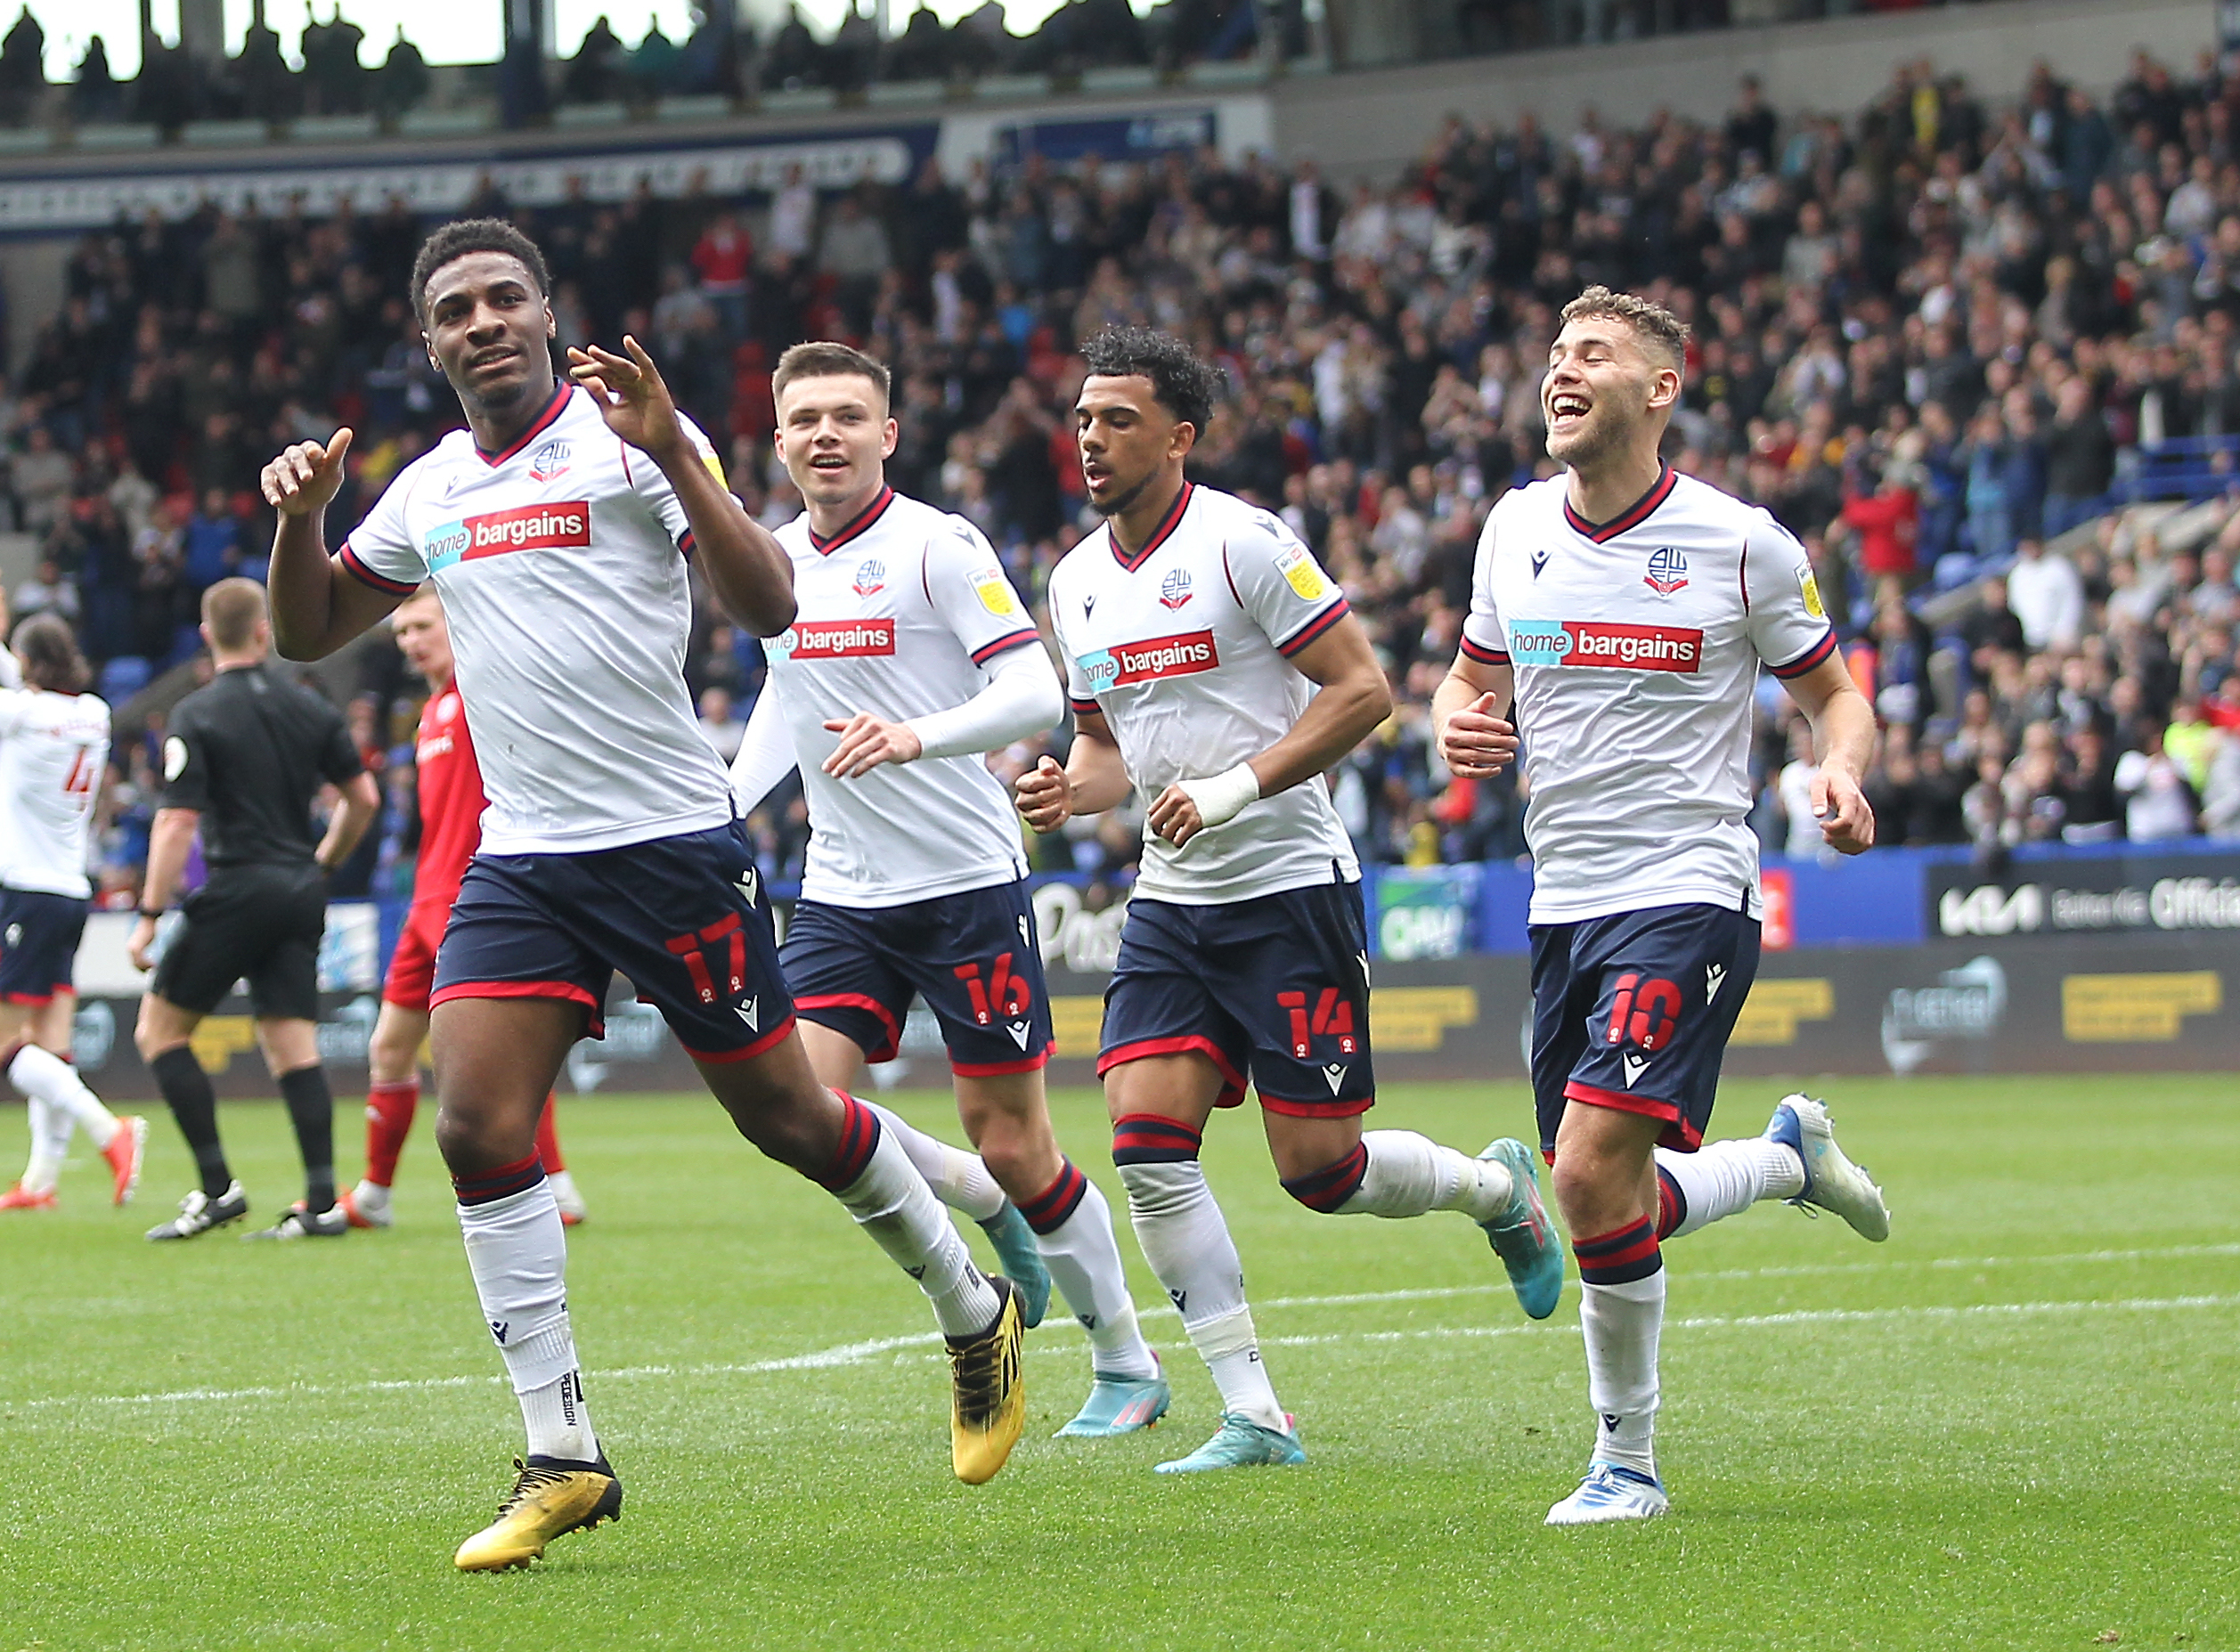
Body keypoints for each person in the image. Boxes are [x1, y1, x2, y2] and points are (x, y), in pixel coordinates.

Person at [263, 219, 1030, 1570]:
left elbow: (771, 601)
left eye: (507, 297)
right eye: (456, 307)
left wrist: (680, 449)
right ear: (428, 339)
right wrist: (300, 518)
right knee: (474, 1121)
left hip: (673, 843)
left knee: (790, 1117)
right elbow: (308, 628)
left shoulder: (630, 440)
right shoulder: (430, 483)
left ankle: (972, 1309)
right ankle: (561, 1452)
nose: (483, 320)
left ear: (549, 313)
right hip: (525, 859)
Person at [1015, 325, 1564, 1475]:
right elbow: (1106, 749)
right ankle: (1253, 1408)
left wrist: (1229, 786)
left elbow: (1361, 690)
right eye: (1079, 419)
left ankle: (1492, 1188)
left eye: (1116, 419)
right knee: (1144, 1141)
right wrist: (1070, 784)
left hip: (1287, 889)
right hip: (1171, 900)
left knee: (1321, 1170)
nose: (1091, 438)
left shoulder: (1243, 546)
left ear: (1180, 434)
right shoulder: (1070, 584)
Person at [1431, 286, 1893, 1527]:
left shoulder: (1741, 542)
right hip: (1561, 898)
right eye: (1551, 352)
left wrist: (1839, 772)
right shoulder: (1510, 527)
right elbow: (1463, 680)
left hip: (1688, 884)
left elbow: (1834, 697)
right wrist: (1454, 722)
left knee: (1580, 1168)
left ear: (1659, 386)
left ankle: (1623, 1461)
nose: (1558, 370)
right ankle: (1785, 1156)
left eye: (1590, 352)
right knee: (1609, 1192)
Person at [732, 340, 1163, 1436]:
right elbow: (786, 707)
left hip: (967, 883)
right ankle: (981, 1206)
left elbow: (1032, 692)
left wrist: (916, 736)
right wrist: (720, 808)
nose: (825, 434)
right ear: (778, 443)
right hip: (841, 890)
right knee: (800, 1113)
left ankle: (1127, 1362)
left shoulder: (938, 544)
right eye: (805, 419)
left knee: (1019, 1141)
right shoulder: (772, 561)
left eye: (847, 415)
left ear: (888, 434)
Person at [131, 578, 380, 1242]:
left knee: (160, 1033)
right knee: (293, 1044)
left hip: (238, 886)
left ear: (209, 638)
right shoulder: (310, 707)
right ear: (265, 633)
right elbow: (363, 800)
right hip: (299, 887)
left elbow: (177, 821)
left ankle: (218, 1190)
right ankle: (322, 1201)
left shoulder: (197, 712)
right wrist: (322, 863)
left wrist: (150, 912)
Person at [350, 587, 585, 1232]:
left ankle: (557, 1186)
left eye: (422, 626)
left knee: (501, 1057)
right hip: (426, 899)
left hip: (473, 897)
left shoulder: (488, 689)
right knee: (388, 1048)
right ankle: (374, 1193)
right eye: (400, 634)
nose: (410, 641)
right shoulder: (429, 712)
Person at [0, 569, 145, 1214]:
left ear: (27, 663)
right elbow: (27, 685)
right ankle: (41, 1181)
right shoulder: (92, 714)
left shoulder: (23, 713)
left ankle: (112, 1131)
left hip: (25, 894)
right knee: (49, 1045)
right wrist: (3, 641)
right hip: (70, 894)